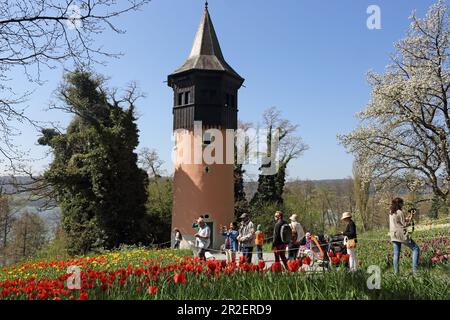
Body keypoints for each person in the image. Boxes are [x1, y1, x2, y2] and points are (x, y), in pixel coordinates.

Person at [389, 198, 420, 275]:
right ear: (399, 204)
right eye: (402, 203)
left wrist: (410, 216)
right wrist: (411, 220)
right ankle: (415, 271)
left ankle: (396, 273)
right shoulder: (400, 212)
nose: (403, 205)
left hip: (393, 234)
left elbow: (400, 221)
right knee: (416, 249)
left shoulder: (391, 212)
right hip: (401, 234)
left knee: (396, 254)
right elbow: (404, 224)